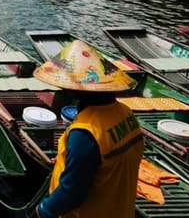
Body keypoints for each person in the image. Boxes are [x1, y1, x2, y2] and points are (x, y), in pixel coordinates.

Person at [33, 40, 143, 218]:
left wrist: (43, 210)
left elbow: (72, 192)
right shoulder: (125, 113)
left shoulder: (85, 133)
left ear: (75, 93)